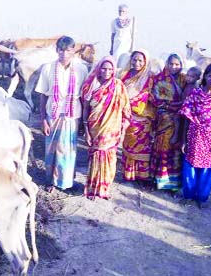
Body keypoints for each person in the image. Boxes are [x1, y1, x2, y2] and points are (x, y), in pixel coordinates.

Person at [36, 36, 89, 193]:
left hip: (73, 115)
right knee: (51, 148)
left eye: (68, 50)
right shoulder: (47, 68)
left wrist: (85, 122)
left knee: (68, 149)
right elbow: (43, 95)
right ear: (56, 50)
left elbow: (85, 97)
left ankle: (66, 181)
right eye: (61, 49)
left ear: (73, 51)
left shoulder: (81, 69)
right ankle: (50, 180)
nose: (64, 53)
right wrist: (43, 119)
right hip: (53, 113)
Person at [179, 63, 211, 208]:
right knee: (190, 165)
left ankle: (201, 197)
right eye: (210, 76)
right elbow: (186, 116)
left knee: (208, 168)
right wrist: (183, 140)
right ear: (205, 76)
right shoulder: (195, 94)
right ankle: (188, 195)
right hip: (194, 134)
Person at [82, 56, 131, 200]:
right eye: (104, 68)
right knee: (96, 157)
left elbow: (125, 108)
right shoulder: (90, 85)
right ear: (98, 68)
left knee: (109, 158)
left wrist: (123, 128)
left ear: (114, 70)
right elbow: (85, 109)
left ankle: (104, 188)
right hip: (95, 127)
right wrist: (86, 130)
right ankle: (92, 189)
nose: (107, 71)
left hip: (112, 128)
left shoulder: (118, 86)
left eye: (110, 69)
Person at [119, 49, 156, 185]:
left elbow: (149, 95)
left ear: (145, 62)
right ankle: (128, 174)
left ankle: (141, 175)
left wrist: (132, 102)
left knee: (142, 147)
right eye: (134, 59)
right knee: (128, 145)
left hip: (143, 118)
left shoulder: (150, 77)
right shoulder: (124, 74)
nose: (137, 63)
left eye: (141, 60)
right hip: (126, 116)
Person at [151, 54, 187, 193]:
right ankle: (160, 180)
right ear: (167, 64)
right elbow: (161, 100)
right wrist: (176, 106)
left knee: (175, 149)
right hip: (164, 117)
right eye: (171, 64)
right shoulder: (160, 78)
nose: (174, 67)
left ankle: (173, 183)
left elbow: (189, 96)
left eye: (177, 64)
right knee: (163, 147)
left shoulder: (184, 79)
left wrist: (182, 107)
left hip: (180, 117)